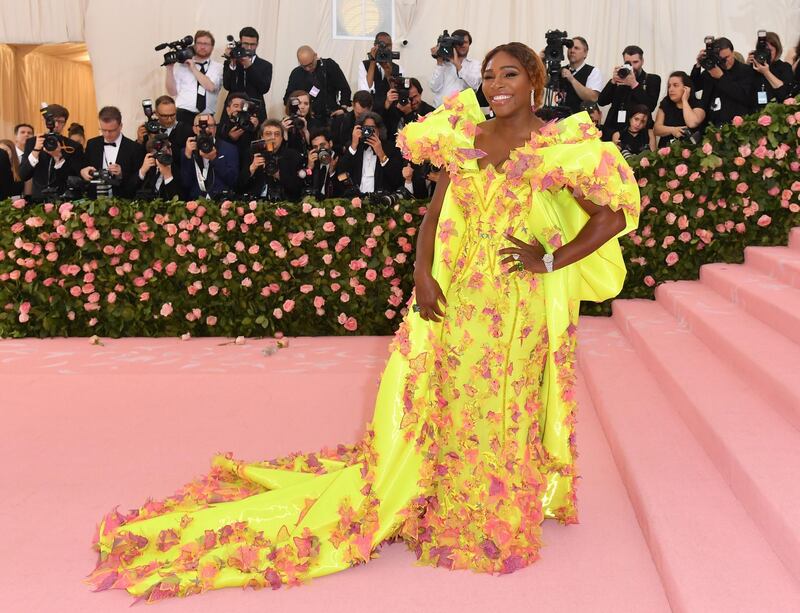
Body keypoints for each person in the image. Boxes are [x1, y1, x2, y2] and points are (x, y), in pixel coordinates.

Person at [88, 41, 639, 602]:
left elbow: (612, 213)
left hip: (518, 304)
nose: (498, 85)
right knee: (447, 394)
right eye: (491, 75)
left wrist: (548, 260)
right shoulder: (463, 135)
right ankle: (444, 493)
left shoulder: (558, 145)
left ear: (535, 80)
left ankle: (498, 502)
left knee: (505, 398)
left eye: (511, 75)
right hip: (455, 296)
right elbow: (433, 214)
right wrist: (423, 276)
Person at [19, 103, 84, 200]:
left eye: (61, 121)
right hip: (38, 201)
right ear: (45, 121)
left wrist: (59, 158)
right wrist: (36, 151)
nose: (56, 125)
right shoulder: (32, 142)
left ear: (65, 123)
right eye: (54, 121)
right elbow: (23, 175)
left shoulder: (73, 146)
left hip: (64, 201)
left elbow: (76, 178)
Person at [597, 45, 661, 141]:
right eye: (628, 63)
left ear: (642, 61)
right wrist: (613, 82)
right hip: (614, 130)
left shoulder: (652, 79)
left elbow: (650, 106)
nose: (632, 67)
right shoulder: (619, 78)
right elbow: (601, 101)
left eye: (635, 62)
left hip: (638, 133)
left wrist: (634, 84)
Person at [80, 106, 145, 199]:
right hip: (94, 202)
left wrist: (121, 174)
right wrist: (83, 172)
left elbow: (138, 180)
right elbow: (84, 167)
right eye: (103, 130)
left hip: (124, 202)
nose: (107, 134)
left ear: (120, 126)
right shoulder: (92, 144)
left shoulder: (134, 148)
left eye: (111, 130)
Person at [690, 37, 753, 127]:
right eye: (721, 59)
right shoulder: (711, 71)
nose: (725, 61)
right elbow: (694, 86)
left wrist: (721, 77)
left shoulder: (745, 71)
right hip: (713, 125)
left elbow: (744, 95)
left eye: (727, 57)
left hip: (737, 125)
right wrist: (698, 64)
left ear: (732, 52)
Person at [337, 111, 403, 196]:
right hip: (356, 199)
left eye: (372, 128)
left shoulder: (391, 148)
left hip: (380, 200)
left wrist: (381, 154)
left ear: (379, 130)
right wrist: (353, 146)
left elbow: (396, 179)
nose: (368, 131)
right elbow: (341, 173)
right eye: (365, 128)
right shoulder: (354, 147)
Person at [165, 30, 224, 125]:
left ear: (212, 47)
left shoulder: (219, 67)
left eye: (206, 44)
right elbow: (172, 92)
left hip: (207, 117)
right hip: (183, 115)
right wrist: (169, 69)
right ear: (194, 45)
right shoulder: (181, 66)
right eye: (199, 43)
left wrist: (193, 68)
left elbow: (211, 87)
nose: (202, 46)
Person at [238, 119, 303, 201]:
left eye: (277, 134)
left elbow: (297, 189)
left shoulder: (292, 155)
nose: (273, 137)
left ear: (282, 138)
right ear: (262, 136)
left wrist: (278, 174)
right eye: (268, 134)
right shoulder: (251, 154)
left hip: (284, 202)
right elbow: (239, 186)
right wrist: (252, 168)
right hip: (254, 202)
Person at [283, 46, 351, 123]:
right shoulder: (296, 73)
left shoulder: (329, 66)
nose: (308, 68)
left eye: (310, 64)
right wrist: (299, 109)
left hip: (331, 115)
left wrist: (343, 108)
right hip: (307, 119)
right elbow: (288, 98)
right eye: (304, 66)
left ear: (315, 56)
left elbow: (345, 88)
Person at [180, 113, 239, 199]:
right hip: (195, 202)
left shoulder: (229, 149)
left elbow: (233, 180)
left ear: (215, 128)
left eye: (210, 126)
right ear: (194, 129)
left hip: (221, 201)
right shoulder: (187, 150)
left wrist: (215, 159)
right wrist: (188, 157)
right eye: (201, 126)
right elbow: (186, 183)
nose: (206, 129)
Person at [222, 26, 272, 121]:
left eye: (253, 44)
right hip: (233, 109)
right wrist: (232, 62)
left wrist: (249, 66)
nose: (249, 48)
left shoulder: (266, 65)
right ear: (240, 43)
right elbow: (227, 85)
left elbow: (264, 88)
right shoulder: (231, 62)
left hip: (255, 110)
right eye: (246, 44)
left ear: (257, 44)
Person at [429, 28, 481, 107]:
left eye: (465, 42)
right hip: (440, 111)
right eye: (459, 42)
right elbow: (434, 88)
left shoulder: (475, 64)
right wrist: (439, 62)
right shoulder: (443, 64)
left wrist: (458, 65)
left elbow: (475, 85)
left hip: (463, 112)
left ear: (469, 44)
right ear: (452, 44)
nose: (462, 45)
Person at [654, 71, 706, 148]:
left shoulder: (697, 103)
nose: (671, 89)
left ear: (686, 88)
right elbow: (656, 129)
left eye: (675, 85)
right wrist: (672, 130)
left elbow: (692, 123)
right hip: (666, 151)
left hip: (690, 151)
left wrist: (684, 100)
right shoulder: (666, 103)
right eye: (669, 86)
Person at [382, 76, 435, 146]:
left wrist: (408, 113)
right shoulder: (395, 108)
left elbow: (418, 138)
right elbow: (381, 127)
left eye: (415, 96)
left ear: (420, 93)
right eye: (408, 98)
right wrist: (386, 104)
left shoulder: (430, 113)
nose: (412, 102)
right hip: (392, 152)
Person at [358, 31, 404, 110]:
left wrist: (389, 74)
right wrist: (373, 61)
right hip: (371, 110)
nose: (385, 48)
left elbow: (398, 94)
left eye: (388, 45)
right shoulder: (364, 65)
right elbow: (364, 90)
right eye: (382, 45)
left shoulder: (398, 68)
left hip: (391, 112)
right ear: (375, 45)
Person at [746, 32, 794, 105]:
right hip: (754, 113)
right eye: (763, 50)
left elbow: (785, 94)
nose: (765, 54)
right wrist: (746, 66)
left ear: (777, 50)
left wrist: (766, 72)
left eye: (769, 50)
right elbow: (742, 93)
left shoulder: (784, 67)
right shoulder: (753, 67)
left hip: (776, 112)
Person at [217, 91, 261, 169]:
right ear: (228, 110)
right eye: (236, 106)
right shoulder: (220, 128)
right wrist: (230, 138)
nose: (239, 109)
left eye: (242, 106)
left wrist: (256, 129)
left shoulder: (252, 125)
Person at [560, 36, 604, 114]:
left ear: (585, 53)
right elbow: (543, 83)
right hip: (560, 120)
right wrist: (542, 61)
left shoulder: (593, 71)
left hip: (581, 122)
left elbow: (592, 98)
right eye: (570, 47)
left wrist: (572, 79)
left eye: (576, 48)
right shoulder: (561, 70)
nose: (572, 51)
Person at [134, 135, 181, 200]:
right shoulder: (149, 168)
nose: (160, 156)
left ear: (170, 151)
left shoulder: (179, 169)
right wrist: (142, 171)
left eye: (163, 152)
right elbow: (129, 192)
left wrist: (168, 176)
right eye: (157, 153)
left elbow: (179, 201)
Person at [281, 90, 324, 160]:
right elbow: (281, 150)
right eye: (299, 103)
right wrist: (284, 132)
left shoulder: (316, 124)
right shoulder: (284, 123)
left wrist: (305, 131)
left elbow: (315, 147)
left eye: (306, 104)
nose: (302, 107)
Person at [330, 90, 373, 155]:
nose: (361, 117)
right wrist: (348, 147)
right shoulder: (340, 121)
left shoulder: (375, 122)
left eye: (364, 114)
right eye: (358, 114)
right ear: (353, 105)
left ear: (370, 108)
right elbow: (334, 145)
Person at [305, 127, 342, 198]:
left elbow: (341, 191)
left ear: (330, 143)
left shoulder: (340, 160)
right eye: (315, 147)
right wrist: (309, 168)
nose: (319, 149)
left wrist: (332, 173)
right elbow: (306, 186)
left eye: (322, 145)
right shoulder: (314, 162)